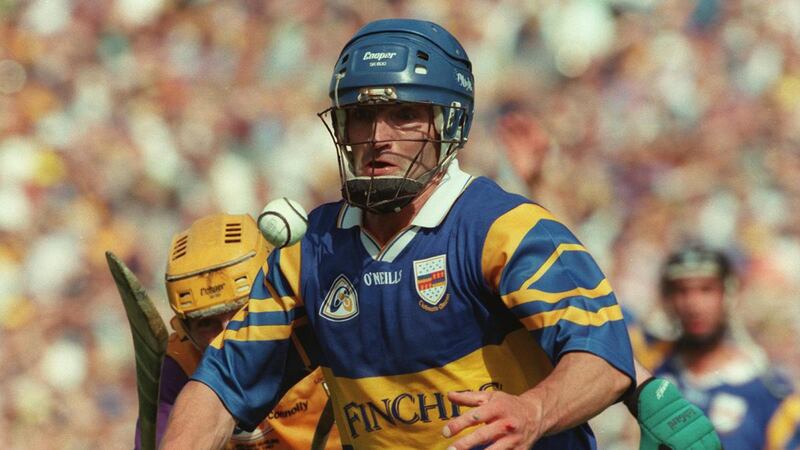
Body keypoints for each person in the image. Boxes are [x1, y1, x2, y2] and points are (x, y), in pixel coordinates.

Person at [161, 19, 714, 450]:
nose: (378, 137)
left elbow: (603, 358)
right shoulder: (308, 255)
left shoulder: (504, 230)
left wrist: (534, 411)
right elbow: (220, 386)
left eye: (403, 114)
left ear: (449, 124)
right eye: (360, 117)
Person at [137, 213, 339, 449]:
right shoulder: (178, 365)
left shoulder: (319, 329)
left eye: (241, 312)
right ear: (185, 330)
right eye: (206, 323)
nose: (228, 332)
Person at [648, 245, 800, 450]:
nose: (694, 304)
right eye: (682, 291)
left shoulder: (769, 390)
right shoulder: (651, 364)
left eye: (706, 290)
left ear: (728, 295)